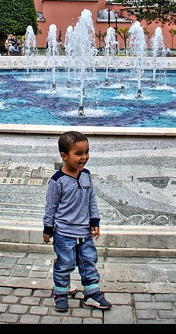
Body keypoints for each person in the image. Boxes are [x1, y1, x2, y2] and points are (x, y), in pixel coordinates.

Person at [43, 131, 112, 313]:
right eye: (79, 154)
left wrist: (94, 221)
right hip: (64, 233)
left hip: (84, 232)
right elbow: (51, 207)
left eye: (86, 152)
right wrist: (48, 229)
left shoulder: (86, 175)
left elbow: (91, 199)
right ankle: (60, 293)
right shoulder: (57, 181)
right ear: (64, 156)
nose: (84, 158)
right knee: (65, 264)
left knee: (89, 261)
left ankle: (91, 293)